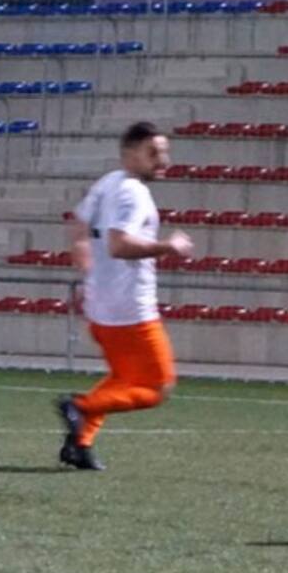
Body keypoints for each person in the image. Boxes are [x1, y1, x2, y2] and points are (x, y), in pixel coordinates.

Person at [55, 122, 194, 470]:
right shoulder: (133, 192)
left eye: (164, 152)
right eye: (153, 153)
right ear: (130, 154)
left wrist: (87, 266)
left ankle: (79, 444)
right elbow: (119, 245)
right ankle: (80, 408)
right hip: (130, 311)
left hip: (101, 309)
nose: (162, 160)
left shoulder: (108, 182)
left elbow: (79, 224)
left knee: (121, 380)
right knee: (158, 387)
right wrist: (169, 246)